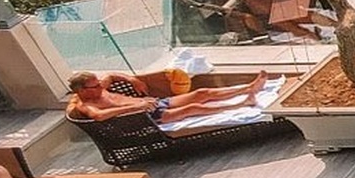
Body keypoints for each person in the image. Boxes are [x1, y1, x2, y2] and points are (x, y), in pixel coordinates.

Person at [67, 70, 269, 125]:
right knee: (193, 107)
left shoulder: (98, 88)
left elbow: (111, 76)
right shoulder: (86, 104)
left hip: (154, 103)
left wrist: (131, 79)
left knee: (201, 93)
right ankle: (243, 103)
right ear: (82, 90)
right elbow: (100, 116)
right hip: (147, 115)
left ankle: (249, 88)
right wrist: (134, 108)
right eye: (94, 86)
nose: (100, 87)